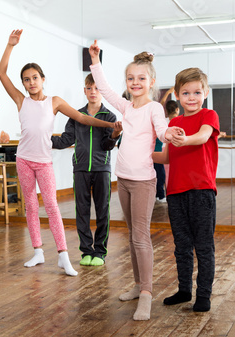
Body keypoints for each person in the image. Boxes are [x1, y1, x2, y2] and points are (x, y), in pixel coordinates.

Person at [0, 29, 117, 277]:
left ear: (43, 79)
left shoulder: (55, 101)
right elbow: (1, 73)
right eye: (26, 79)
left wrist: (110, 125)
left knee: (51, 205)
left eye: (35, 78)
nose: (31, 82)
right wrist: (10, 45)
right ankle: (38, 251)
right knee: (31, 206)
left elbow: (82, 117)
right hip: (23, 160)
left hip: (43, 162)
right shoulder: (21, 100)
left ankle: (63, 255)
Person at [89, 40, 178, 320]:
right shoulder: (126, 107)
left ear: (151, 81)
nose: (135, 82)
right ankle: (139, 285)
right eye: (131, 78)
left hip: (143, 182)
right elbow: (104, 88)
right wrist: (95, 59)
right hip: (123, 180)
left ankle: (147, 294)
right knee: (132, 236)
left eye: (141, 78)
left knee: (141, 237)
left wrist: (170, 136)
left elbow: (162, 131)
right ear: (127, 82)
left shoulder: (154, 108)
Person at [154, 67, 220, 312]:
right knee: (181, 245)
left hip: (202, 191)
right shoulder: (174, 122)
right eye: (185, 93)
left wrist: (185, 139)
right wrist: (137, 152)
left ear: (205, 92)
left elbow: (202, 137)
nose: (191, 97)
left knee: (203, 246)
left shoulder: (209, 115)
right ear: (176, 95)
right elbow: (166, 157)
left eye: (196, 92)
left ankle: (204, 295)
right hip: (175, 193)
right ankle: (184, 290)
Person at [51, 74, 119, 267]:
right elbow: (66, 140)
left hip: (101, 170)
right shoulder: (76, 115)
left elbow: (107, 145)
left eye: (97, 88)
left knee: (102, 211)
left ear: (102, 92)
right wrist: (43, 138)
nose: (93, 92)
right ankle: (86, 251)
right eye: (89, 88)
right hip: (80, 169)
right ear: (84, 90)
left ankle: (100, 251)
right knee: (81, 211)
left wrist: (115, 135)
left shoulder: (110, 117)